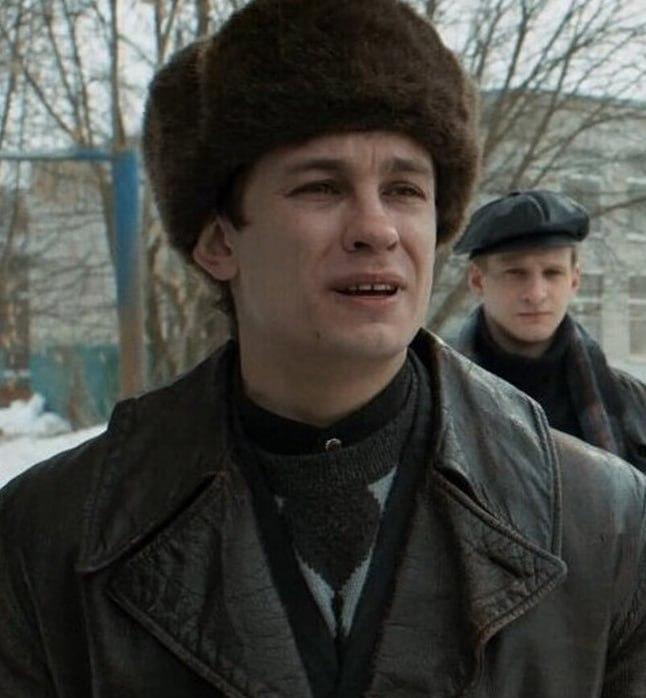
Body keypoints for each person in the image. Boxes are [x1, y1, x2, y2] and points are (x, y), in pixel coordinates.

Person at [1, 2, 646, 696]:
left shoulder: (603, 521)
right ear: (218, 241)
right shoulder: (52, 539)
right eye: (321, 187)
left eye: (404, 189)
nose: (377, 228)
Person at [453, 189, 646, 471]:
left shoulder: (631, 404)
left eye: (552, 273)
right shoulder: (432, 395)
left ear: (574, 280)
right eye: (516, 273)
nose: (536, 294)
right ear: (477, 280)